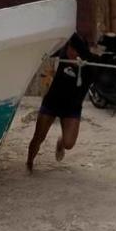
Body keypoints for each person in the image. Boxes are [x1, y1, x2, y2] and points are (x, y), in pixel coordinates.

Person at [26, 33, 94, 173]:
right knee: (38, 137)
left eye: (75, 50)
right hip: (52, 103)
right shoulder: (61, 56)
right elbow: (45, 51)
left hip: (72, 108)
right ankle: (29, 162)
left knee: (69, 144)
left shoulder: (91, 66)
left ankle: (60, 142)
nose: (71, 52)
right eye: (70, 48)